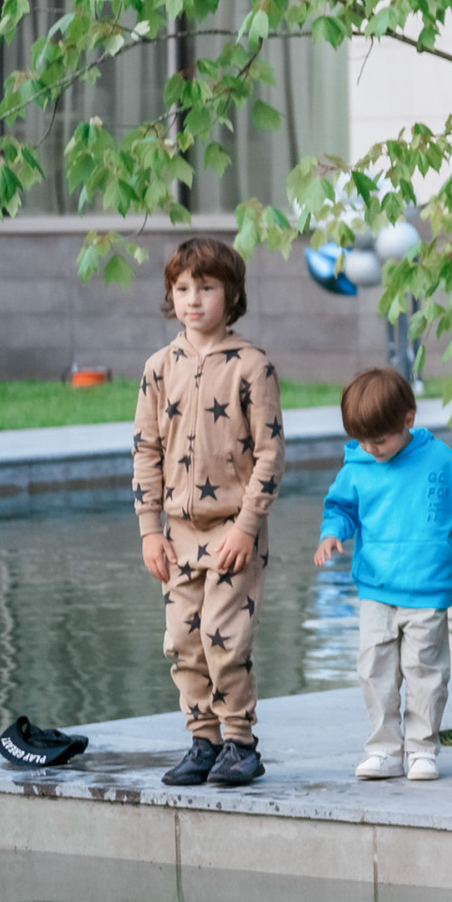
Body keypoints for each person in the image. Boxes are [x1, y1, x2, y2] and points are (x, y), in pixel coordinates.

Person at [138, 238, 285, 789]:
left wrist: (248, 525)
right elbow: (145, 449)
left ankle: (240, 743)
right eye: (182, 289)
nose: (193, 299)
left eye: (206, 288)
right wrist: (150, 530)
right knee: (182, 639)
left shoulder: (252, 366)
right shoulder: (158, 368)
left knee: (225, 639)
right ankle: (204, 739)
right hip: (176, 533)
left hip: (232, 530)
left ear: (232, 294)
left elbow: (270, 452)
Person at [315, 367, 452, 783]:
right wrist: (331, 533)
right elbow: (340, 508)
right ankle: (384, 749)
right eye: (362, 440)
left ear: (408, 419)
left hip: (428, 587)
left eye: (380, 440)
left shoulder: (435, 456)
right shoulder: (358, 464)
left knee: (424, 670)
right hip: (376, 587)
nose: (372, 449)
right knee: (375, 669)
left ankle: (422, 748)